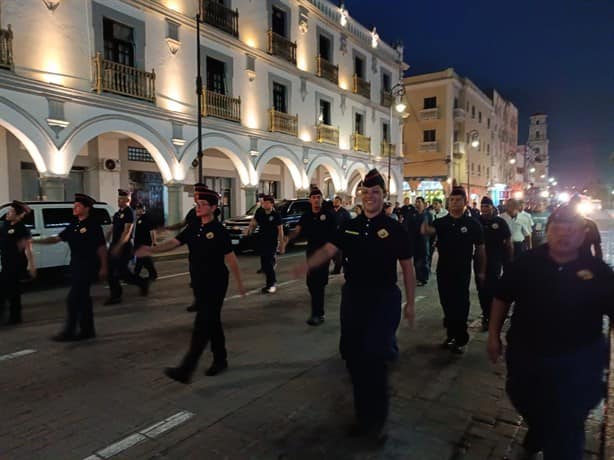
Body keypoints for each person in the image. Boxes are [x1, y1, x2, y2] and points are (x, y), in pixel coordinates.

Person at [295, 169, 416, 443]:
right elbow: (328, 250)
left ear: (383, 196)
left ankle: (376, 423)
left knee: (374, 359)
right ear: (359, 196)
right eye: (366, 192)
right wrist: (306, 265)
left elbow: (407, 268)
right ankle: (364, 418)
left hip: (383, 299)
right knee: (352, 356)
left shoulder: (395, 229)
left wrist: (410, 303)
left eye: (375, 192)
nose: (370, 197)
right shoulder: (349, 225)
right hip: (354, 298)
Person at [487, 206, 614, 459]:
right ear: (547, 232)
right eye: (557, 230)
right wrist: (493, 335)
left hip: (579, 358)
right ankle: (541, 427)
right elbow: (502, 297)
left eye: (571, 230)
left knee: (568, 424)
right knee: (522, 396)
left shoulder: (598, 271)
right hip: (527, 353)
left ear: (582, 235)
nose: (563, 236)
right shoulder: (527, 263)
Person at [136, 187, 245, 383]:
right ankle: (221, 360)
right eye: (197, 204)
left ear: (213, 207)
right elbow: (175, 243)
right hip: (199, 283)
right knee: (212, 323)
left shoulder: (218, 231)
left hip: (216, 283)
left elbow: (231, 259)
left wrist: (240, 284)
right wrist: (153, 250)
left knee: (202, 325)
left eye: (203, 205)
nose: (198, 207)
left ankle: (186, 369)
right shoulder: (194, 226)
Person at [422, 186, 485, 354]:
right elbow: (429, 231)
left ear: (465, 203)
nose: (455, 203)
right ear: (448, 202)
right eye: (452, 200)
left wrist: (481, 271)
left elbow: (480, 249)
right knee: (447, 303)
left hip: (462, 271)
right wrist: (425, 226)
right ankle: (451, 335)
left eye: (458, 200)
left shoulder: (472, 224)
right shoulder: (442, 222)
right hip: (443, 270)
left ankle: (460, 338)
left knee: (461, 304)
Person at [35, 194, 107, 341]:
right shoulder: (74, 224)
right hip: (75, 264)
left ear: (87, 208)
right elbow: (57, 238)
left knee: (73, 299)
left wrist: (104, 267)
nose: (74, 208)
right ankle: (88, 330)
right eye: (74, 206)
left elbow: (101, 247)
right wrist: (36, 241)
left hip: (88, 265)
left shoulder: (93, 225)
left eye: (78, 206)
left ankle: (69, 331)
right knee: (83, 299)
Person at [282, 188, 335, 326]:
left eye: (319, 197)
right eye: (314, 197)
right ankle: (318, 310)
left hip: (323, 253)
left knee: (318, 284)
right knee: (311, 283)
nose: (316, 199)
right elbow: (298, 230)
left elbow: (336, 235)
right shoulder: (306, 216)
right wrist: (286, 240)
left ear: (322, 199)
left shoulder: (328, 215)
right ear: (310, 200)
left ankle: (318, 314)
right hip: (311, 252)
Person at [104, 189, 148, 305]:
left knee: (123, 274)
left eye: (121, 199)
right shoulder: (118, 213)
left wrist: (119, 246)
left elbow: (127, 231)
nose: (119, 201)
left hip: (124, 246)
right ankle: (116, 296)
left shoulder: (129, 213)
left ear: (128, 200)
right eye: (118, 199)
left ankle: (142, 283)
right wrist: (107, 238)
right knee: (111, 271)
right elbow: (113, 227)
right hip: (115, 244)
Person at [477, 197, 512, 331]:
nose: (484, 209)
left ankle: (493, 316)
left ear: (492, 207)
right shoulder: (477, 221)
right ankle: (486, 314)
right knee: (481, 288)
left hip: (495, 259)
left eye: (487, 206)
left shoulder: (500, 222)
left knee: (492, 287)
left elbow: (508, 242)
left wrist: (508, 261)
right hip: (479, 260)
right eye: (483, 206)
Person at [0, 201, 35, 325]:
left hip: (16, 263)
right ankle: (7, 315)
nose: (8, 214)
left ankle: (15, 318)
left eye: (11, 212)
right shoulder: (5, 225)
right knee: (5, 289)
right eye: (8, 211)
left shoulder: (21, 228)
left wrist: (31, 265)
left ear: (18, 215)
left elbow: (27, 247)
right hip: (6, 262)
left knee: (13, 291)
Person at [248, 195, 283, 294]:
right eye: (264, 203)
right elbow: (254, 222)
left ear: (272, 204)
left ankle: (271, 284)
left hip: (272, 241)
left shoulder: (276, 214)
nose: (265, 204)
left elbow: (280, 230)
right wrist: (250, 229)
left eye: (267, 203)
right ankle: (272, 262)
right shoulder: (260, 211)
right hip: (262, 240)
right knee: (264, 263)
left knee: (267, 263)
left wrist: (282, 244)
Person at [405, 197, 432, 286]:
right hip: (414, 240)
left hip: (424, 240)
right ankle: (419, 277)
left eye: (419, 202)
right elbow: (406, 226)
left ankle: (424, 277)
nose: (417, 203)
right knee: (416, 260)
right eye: (416, 202)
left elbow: (432, 227)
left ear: (423, 204)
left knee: (424, 259)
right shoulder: (411, 214)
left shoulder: (428, 214)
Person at [569, 195, 603, 260]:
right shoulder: (561, 225)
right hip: (567, 262)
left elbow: (597, 246)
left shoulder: (590, 224)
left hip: (585, 260)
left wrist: (598, 264)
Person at [133, 203, 158, 281]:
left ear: (142, 210)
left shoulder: (147, 218)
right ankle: (152, 274)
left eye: (137, 209)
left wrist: (154, 241)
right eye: (136, 209)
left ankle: (136, 274)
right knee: (143, 260)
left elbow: (152, 231)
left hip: (145, 243)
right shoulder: (139, 219)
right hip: (139, 243)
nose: (136, 211)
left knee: (142, 260)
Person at [330, 196, 351, 275]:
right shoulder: (330, 212)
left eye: (337, 201)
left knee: (339, 254)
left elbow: (349, 224)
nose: (335, 203)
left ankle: (337, 269)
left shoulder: (344, 212)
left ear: (340, 202)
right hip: (332, 236)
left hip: (341, 237)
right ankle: (339, 264)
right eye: (334, 201)